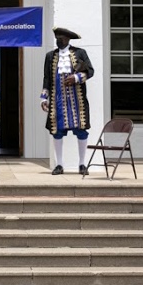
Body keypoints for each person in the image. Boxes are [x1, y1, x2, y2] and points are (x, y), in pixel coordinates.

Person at [40, 27, 94, 175]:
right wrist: (44, 98)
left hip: (77, 100)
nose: (59, 41)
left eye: (61, 38)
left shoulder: (80, 52)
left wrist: (76, 78)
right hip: (58, 99)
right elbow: (47, 78)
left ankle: (82, 164)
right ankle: (59, 165)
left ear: (68, 39)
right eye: (57, 38)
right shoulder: (50, 56)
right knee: (57, 131)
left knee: (81, 130)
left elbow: (90, 71)